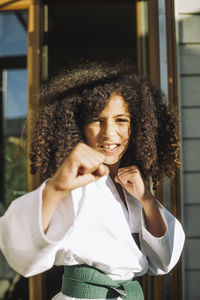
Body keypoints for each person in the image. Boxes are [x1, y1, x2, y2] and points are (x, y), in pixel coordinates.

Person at [0, 62, 185, 300]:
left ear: (137, 126)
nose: (109, 133)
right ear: (79, 126)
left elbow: (164, 261)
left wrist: (147, 200)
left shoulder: (135, 187)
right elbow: (21, 253)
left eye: (121, 120)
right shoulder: (73, 185)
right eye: (97, 120)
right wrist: (56, 188)